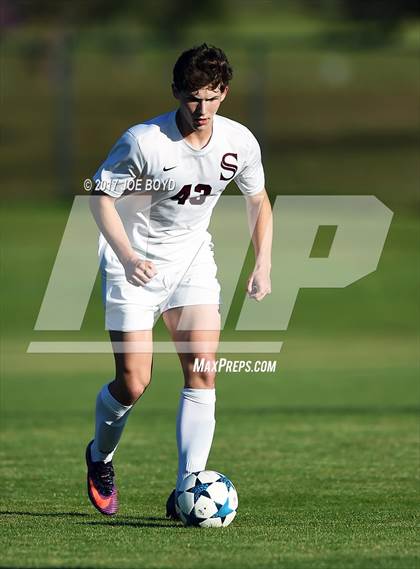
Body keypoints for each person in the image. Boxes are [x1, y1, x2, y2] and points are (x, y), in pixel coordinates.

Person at [86, 43, 272, 518]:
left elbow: (257, 200)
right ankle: (100, 458)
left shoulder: (239, 142)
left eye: (211, 96)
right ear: (176, 93)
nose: (202, 108)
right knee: (134, 383)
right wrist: (126, 256)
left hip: (191, 262)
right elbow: (100, 197)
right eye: (193, 97)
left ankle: (187, 488)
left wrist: (263, 262)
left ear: (224, 93)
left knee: (203, 370)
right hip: (133, 265)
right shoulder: (144, 141)